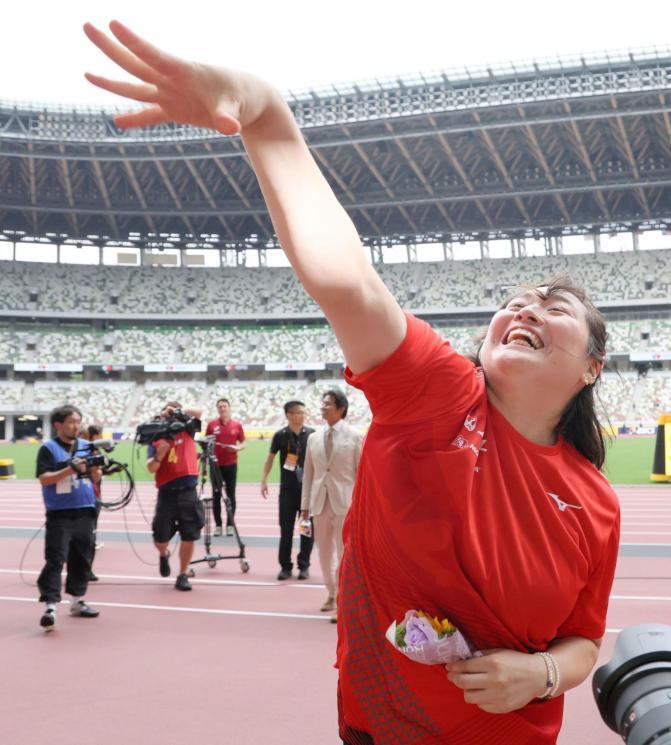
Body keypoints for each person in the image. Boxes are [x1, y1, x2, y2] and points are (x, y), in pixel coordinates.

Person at [84, 24, 620, 744]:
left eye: (554, 307)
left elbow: (584, 641)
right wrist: (266, 115)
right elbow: (347, 279)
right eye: (515, 300)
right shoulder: (441, 392)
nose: (525, 308)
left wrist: (542, 674)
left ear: (592, 366)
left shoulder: (596, 501)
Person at [300, 389, 363, 620]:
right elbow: (309, 474)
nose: (323, 407)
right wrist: (304, 505)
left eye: (328, 404)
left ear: (341, 408)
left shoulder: (355, 437)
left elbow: (362, 475)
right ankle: (330, 591)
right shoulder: (313, 438)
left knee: (344, 554)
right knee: (324, 553)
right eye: (322, 403)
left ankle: (342, 600)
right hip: (319, 503)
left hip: (345, 504)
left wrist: (360, 505)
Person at [36, 405, 100, 631]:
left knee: (82, 557)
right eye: (71, 421)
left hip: (85, 509)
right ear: (58, 425)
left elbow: (96, 476)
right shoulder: (48, 449)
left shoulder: (87, 446)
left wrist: (97, 469)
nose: (76, 426)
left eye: (78, 421)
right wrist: (69, 470)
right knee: (56, 558)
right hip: (60, 513)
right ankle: (50, 606)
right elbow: (44, 478)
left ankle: (77, 600)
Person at [146, 402, 204, 591]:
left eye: (173, 413)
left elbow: (199, 411)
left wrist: (180, 411)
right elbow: (151, 468)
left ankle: (182, 573)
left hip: (188, 490)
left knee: (189, 535)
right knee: (159, 538)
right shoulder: (156, 436)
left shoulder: (188, 429)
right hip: (167, 493)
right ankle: (164, 554)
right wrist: (159, 455)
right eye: (167, 413)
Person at [261, 400, 314, 580]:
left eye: (303, 412)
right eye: (299, 412)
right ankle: (285, 566)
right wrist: (264, 480)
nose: (303, 415)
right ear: (289, 415)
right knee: (286, 530)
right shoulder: (280, 436)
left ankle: (304, 565)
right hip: (287, 491)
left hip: (307, 492)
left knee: (306, 529)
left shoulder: (312, 434)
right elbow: (269, 459)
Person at [205, 398, 246, 536]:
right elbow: (206, 443)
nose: (223, 409)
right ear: (217, 409)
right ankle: (218, 525)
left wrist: (237, 448)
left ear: (229, 408)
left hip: (231, 464)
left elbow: (243, 442)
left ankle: (230, 524)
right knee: (216, 495)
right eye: (220, 406)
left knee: (231, 495)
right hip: (215, 465)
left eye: (225, 406)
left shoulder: (237, 425)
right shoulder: (211, 425)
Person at [80, 423, 104, 581]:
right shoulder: (74, 452)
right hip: (79, 499)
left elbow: (97, 475)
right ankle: (81, 569)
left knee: (90, 536)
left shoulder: (93, 451)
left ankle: (87, 569)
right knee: (80, 537)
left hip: (93, 496)